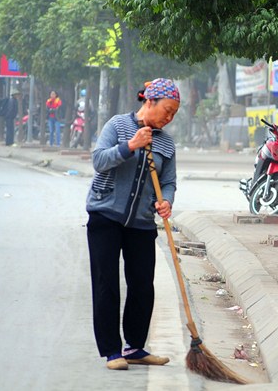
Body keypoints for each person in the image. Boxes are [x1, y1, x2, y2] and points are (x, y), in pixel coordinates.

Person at [85, 78, 180, 370]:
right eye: (166, 110)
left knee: (142, 285)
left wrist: (166, 201)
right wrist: (130, 146)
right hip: (105, 216)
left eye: (174, 113)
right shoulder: (118, 125)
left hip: (141, 222)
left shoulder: (166, 142)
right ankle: (112, 351)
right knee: (107, 285)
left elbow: (168, 182)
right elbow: (99, 160)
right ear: (149, 102)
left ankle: (135, 347)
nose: (168, 117)